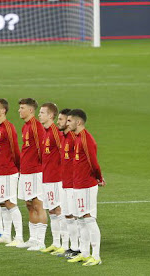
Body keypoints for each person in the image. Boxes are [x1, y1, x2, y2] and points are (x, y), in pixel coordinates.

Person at [66, 109, 105, 267]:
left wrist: (99, 178)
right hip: (77, 184)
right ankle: (85, 253)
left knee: (88, 219)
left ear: (78, 122)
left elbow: (93, 163)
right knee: (80, 220)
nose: (67, 124)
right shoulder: (76, 138)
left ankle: (96, 256)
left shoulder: (86, 139)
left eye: (70, 121)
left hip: (87, 185)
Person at [0, 98, 23, 246]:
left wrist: (17, 168)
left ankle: (19, 237)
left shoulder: (8, 127)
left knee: (10, 203)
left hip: (8, 171)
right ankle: (6, 235)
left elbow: (15, 150)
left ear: (3, 111)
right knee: (2, 203)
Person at [16, 98, 47, 250]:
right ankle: (33, 239)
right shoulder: (25, 127)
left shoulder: (36, 126)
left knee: (38, 204)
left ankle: (40, 241)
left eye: (22, 108)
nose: (19, 110)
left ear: (30, 110)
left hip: (35, 171)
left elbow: (42, 150)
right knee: (29, 204)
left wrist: (40, 167)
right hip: (26, 171)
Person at [54, 108, 81, 259]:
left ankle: (80, 248)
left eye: (62, 120)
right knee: (68, 216)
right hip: (65, 183)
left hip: (73, 184)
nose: (59, 122)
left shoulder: (73, 138)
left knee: (76, 216)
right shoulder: (63, 137)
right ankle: (73, 246)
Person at [38, 102, 65, 253]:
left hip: (56, 178)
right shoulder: (45, 132)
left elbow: (63, 154)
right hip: (47, 177)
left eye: (42, 112)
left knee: (58, 210)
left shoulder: (55, 131)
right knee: (52, 211)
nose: (39, 115)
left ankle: (64, 244)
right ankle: (56, 243)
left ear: (50, 115)